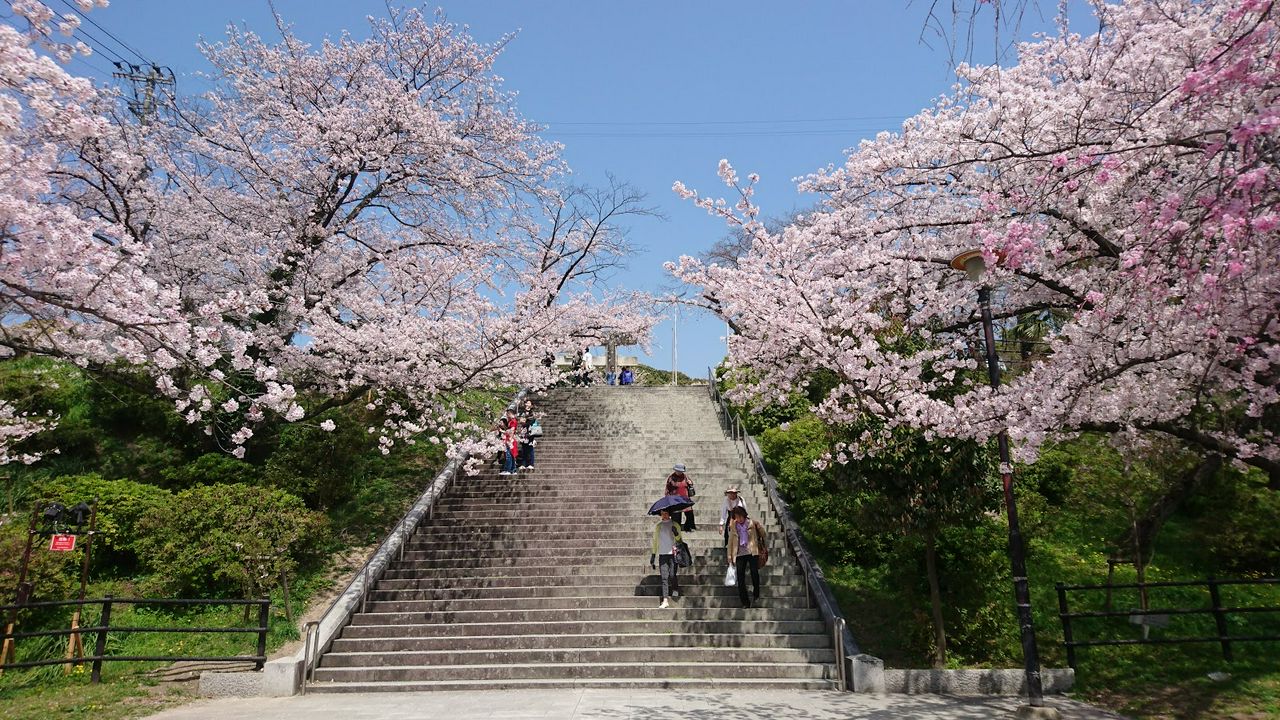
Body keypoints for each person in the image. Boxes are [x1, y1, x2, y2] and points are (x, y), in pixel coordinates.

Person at [725, 506, 767, 608]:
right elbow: (730, 541)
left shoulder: (752, 523)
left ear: (744, 515)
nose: (738, 519)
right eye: (736, 517)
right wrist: (729, 556)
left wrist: (759, 526)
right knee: (740, 577)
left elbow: (764, 535)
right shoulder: (734, 526)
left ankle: (756, 593)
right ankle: (745, 602)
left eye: (740, 517)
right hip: (739, 553)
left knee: (754, 572)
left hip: (752, 551)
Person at [649, 508, 684, 608]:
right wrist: (653, 554)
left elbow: (680, 540)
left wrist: (676, 533)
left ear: (669, 514)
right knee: (664, 577)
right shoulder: (658, 526)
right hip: (663, 554)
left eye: (666, 513)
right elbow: (655, 541)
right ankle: (665, 600)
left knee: (672, 575)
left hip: (673, 554)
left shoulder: (675, 524)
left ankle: (675, 588)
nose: (664, 515)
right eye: (662, 514)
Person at [664, 463, 696, 531]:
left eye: (681, 471)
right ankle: (676, 530)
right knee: (676, 517)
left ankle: (689, 527)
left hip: (685, 499)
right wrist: (668, 499)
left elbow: (690, 485)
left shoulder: (685, 477)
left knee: (690, 514)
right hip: (675, 500)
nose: (679, 472)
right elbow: (667, 489)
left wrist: (690, 483)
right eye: (678, 471)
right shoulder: (671, 477)